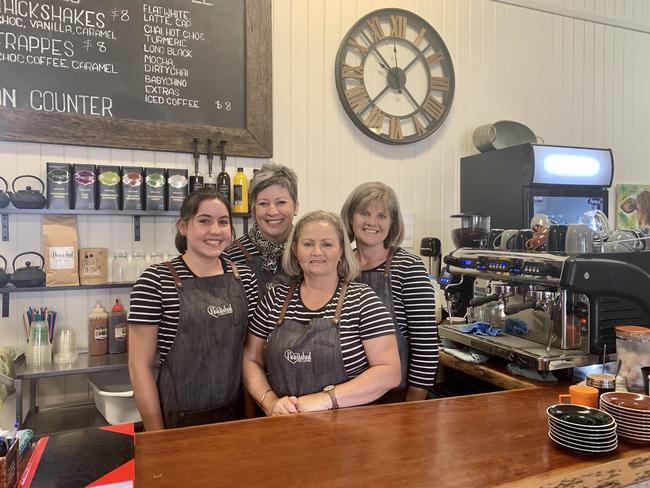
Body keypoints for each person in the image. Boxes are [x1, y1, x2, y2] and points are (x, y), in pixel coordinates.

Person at [243, 211, 400, 415]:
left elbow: (389, 371)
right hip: (283, 425)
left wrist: (327, 399)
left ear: (341, 251)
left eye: (327, 244)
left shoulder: (363, 301)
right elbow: (251, 359)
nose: (317, 252)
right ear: (295, 250)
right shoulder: (274, 299)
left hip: (349, 431)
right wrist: (270, 402)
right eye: (308, 244)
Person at [128, 189, 258, 430]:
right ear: (183, 226)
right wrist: (157, 436)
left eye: (223, 222)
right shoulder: (155, 281)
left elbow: (250, 357)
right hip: (176, 423)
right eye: (204, 220)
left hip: (236, 417)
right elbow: (139, 367)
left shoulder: (245, 278)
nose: (216, 231)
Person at [341, 182, 439, 402]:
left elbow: (426, 345)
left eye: (382, 216)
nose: (372, 222)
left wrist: (414, 403)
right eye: (364, 213)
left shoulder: (408, 268)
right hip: (345, 396)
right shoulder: (340, 266)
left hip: (394, 399)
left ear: (392, 222)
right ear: (350, 217)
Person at [222, 163, 298, 292]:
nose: (272, 211)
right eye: (263, 203)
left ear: (296, 206)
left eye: (281, 202)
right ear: (253, 209)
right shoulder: (231, 257)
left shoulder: (309, 252)